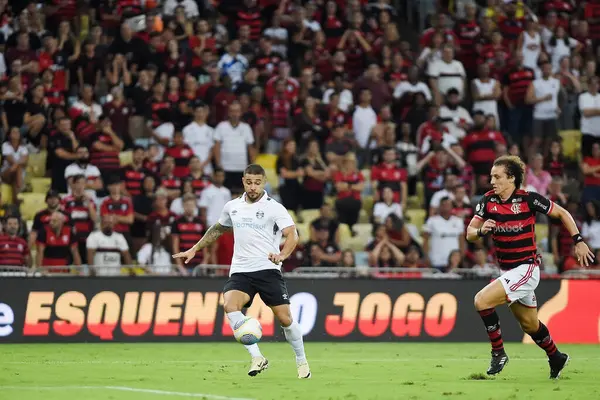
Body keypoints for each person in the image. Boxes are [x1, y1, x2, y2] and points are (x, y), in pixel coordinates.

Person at [172, 164, 310, 379]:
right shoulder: (232, 206)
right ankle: (257, 357)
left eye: (257, 182)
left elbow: (292, 235)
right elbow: (218, 228)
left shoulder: (275, 208)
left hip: (267, 270)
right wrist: (194, 248)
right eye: (248, 182)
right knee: (230, 306)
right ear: (243, 182)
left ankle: (301, 361)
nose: (253, 187)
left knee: (285, 319)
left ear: (264, 182)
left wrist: (282, 255)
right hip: (241, 271)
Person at [467, 155, 595, 378]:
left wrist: (578, 240)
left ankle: (498, 352)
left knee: (481, 300)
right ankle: (556, 356)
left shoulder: (529, 199)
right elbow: (470, 233)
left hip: (526, 269)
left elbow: (562, 213)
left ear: (511, 178)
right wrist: (481, 231)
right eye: (491, 177)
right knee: (530, 325)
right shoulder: (487, 201)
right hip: (507, 271)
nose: (492, 181)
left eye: (497, 177)